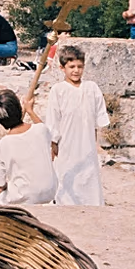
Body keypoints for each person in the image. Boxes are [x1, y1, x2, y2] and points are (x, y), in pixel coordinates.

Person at [45, 45, 111, 205]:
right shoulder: (58, 90)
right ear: (62, 68)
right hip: (66, 143)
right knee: (66, 173)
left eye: (79, 67)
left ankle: (92, 203)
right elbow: (53, 118)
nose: (76, 70)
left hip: (86, 143)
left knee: (88, 173)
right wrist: (53, 141)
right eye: (71, 67)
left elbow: (99, 116)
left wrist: (98, 142)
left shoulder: (91, 88)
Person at [0, 90, 57, 205]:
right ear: (19, 108)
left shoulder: (2, 145)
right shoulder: (40, 130)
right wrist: (30, 111)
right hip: (50, 193)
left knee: (0, 197)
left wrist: (2, 188)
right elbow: (44, 128)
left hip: (25, 198)